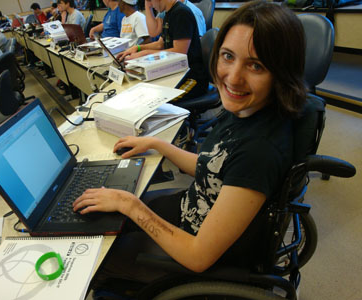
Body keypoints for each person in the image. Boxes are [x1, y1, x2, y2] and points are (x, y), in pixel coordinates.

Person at [73, 0, 307, 292]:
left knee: (94, 259)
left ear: (281, 72)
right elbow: (213, 167)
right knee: (106, 220)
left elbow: (198, 257)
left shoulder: (259, 151)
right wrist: (158, 144)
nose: (232, 77)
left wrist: (127, 203)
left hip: (192, 259)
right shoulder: (247, 111)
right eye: (227, 56)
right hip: (191, 213)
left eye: (256, 65)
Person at [117, 0, 208, 102]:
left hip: (192, 77)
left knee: (161, 102)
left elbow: (179, 52)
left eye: (150, 1)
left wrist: (145, 53)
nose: (150, 4)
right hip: (177, 72)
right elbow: (160, 44)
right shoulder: (168, 13)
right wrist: (138, 48)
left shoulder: (181, 13)